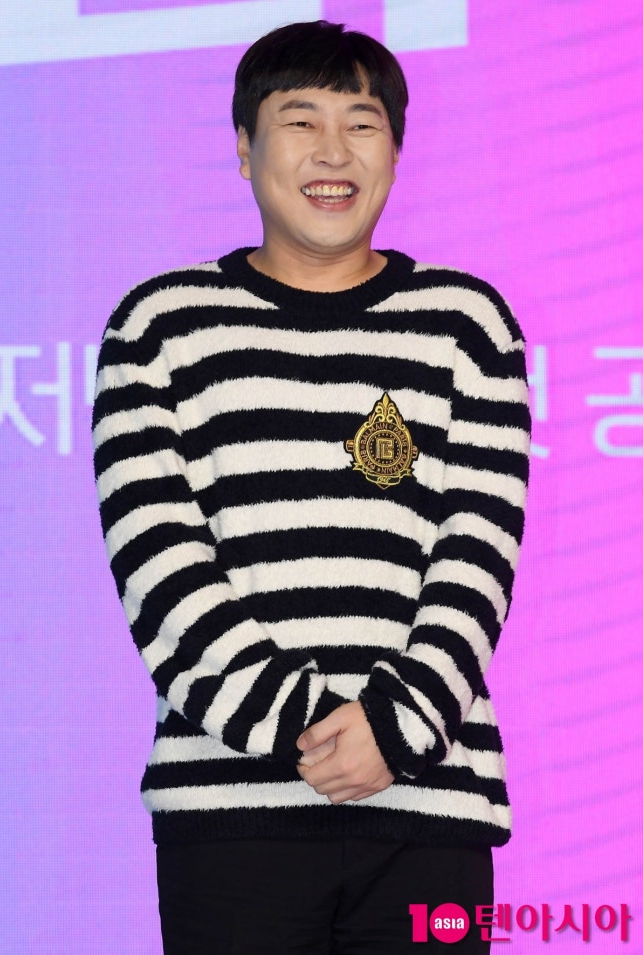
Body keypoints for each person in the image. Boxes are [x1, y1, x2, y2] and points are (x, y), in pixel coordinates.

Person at [92, 20, 531, 954]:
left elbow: (477, 556)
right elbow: (159, 568)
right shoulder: (159, 328)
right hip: (230, 809)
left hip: (428, 808)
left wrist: (394, 730)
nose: (333, 152)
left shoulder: (466, 325)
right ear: (244, 148)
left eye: (361, 124)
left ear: (396, 151)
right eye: (300, 121)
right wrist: (314, 732)